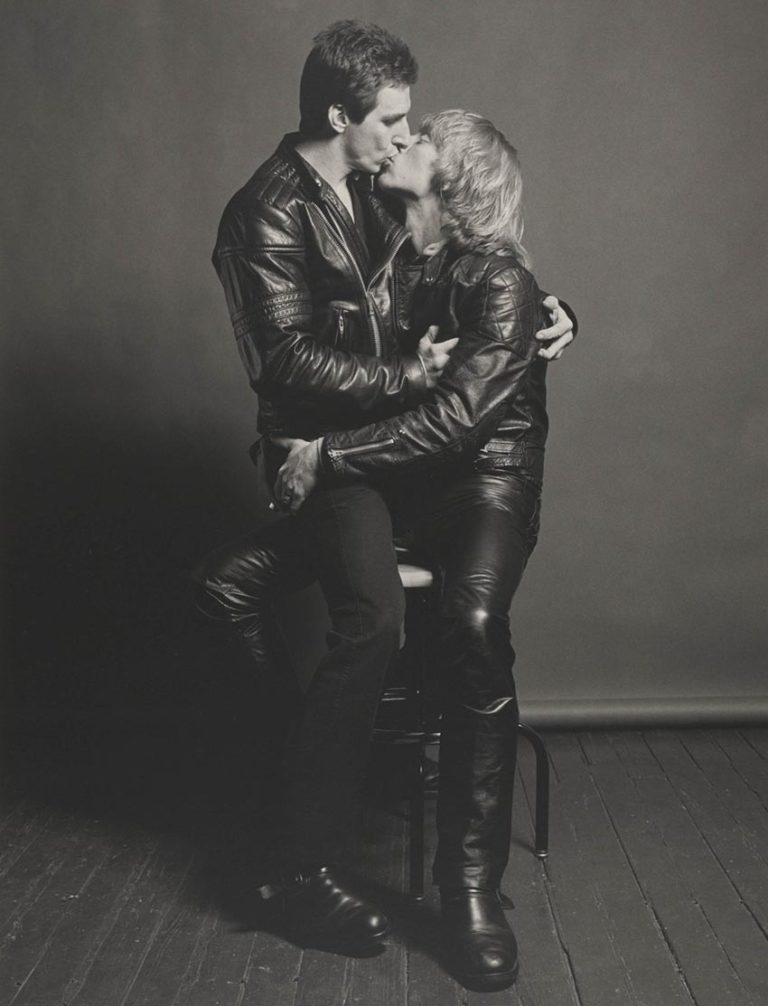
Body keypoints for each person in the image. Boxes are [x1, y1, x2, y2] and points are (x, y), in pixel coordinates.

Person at [197, 19, 575, 987]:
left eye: (415, 131)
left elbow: (479, 274)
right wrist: (393, 387)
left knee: (441, 621)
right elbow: (285, 358)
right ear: (342, 117)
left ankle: (461, 889)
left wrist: (553, 311)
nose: (407, 138)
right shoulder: (269, 212)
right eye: (396, 122)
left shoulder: (379, 191)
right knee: (351, 615)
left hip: (399, 461)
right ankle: (298, 843)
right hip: (337, 455)